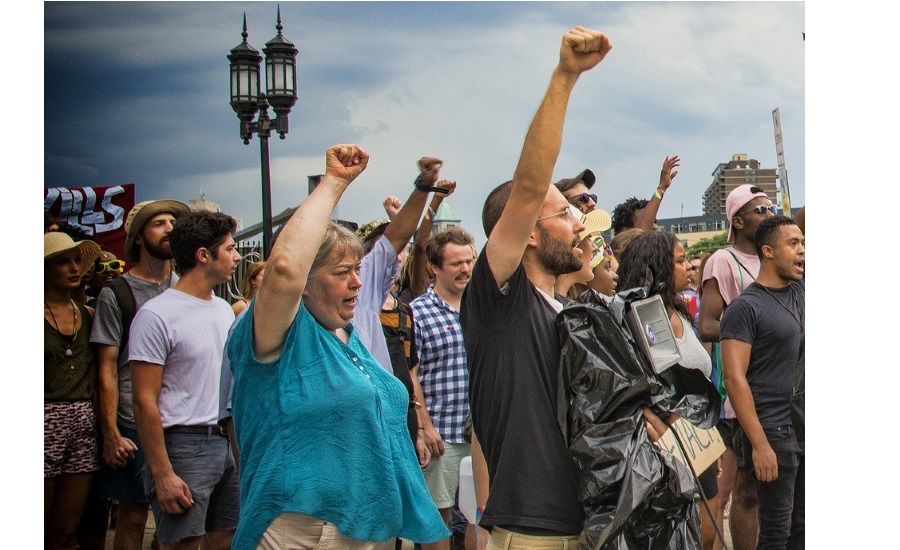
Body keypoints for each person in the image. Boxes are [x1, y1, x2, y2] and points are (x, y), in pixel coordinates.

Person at [226, 144, 449, 550]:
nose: (358, 282)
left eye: (358, 269)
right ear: (304, 284)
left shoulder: (349, 336)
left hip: (365, 527)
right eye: (343, 272)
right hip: (301, 531)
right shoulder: (274, 334)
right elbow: (284, 268)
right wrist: (334, 183)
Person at [460, 26, 611, 548]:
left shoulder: (563, 309)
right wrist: (565, 77)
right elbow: (529, 184)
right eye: (565, 213)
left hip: (582, 524)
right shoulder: (500, 302)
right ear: (526, 232)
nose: (579, 222)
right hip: (530, 531)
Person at [130, 210, 242, 550]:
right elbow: (143, 400)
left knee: (227, 540)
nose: (237, 256)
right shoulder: (156, 314)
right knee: (184, 544)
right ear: (204, 255)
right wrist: (162, 473)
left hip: (226, 441)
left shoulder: (222, 308)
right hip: (183, 445)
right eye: (230, 249)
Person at [90, 199, 191, 550]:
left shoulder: (186, 287)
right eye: (158, 224)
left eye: (172, 223)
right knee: (133, 516)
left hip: (181, 418)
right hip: (133, 419)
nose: (169, 229)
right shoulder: (117, 293)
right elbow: (106, 368)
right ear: (137, 237)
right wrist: (111, 433)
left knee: (181, 516)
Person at [615, 231, 720, 550]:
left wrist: (708, 443)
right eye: (679, 261)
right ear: (657, 267)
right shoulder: (646, 315)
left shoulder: (677, 310)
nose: (688, 267)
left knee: (707, 533)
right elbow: (664, 388)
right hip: (669, 448)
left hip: (695, 439)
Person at [697, 184, 776, 550]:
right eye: (761, 210)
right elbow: (707, 325)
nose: (769, 215)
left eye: (772, 208)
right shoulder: (723, 261)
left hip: (782, 384)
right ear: (738, 221)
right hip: (743, 387)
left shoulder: (774, 255)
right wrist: (755, 335)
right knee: (747, 488)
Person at [721, 215, 804, 550]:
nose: (802, 250)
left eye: (803, 243)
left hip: (802, 424)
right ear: (768, 251)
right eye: (793, 243)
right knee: (776, 533)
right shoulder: (744, 308)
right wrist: (759, 444)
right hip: (773, 431)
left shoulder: (800, 291)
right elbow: (733, 378)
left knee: (803, 528)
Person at [410, 226, 477, 550]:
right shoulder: (417, 312)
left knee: (481, 517)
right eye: (456, 263)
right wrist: (425, 427)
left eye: (469, 261)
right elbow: (411, 374)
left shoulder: (482, 306)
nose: (465, 269)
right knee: (438, 520)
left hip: (480, 433)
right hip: (442, 434)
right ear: (435, 267)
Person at [45, 231, 102, 550]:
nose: (74, 268)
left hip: (82, 422)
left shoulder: (88, 315)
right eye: (62, 262)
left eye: (77, 260)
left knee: (68, 530)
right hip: (44, 418)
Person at [610, 155, 680, 233]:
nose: (655, 226)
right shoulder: (626, 241)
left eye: (653, 221)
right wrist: (661, 188)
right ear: (625, 231)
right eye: (646, 220)